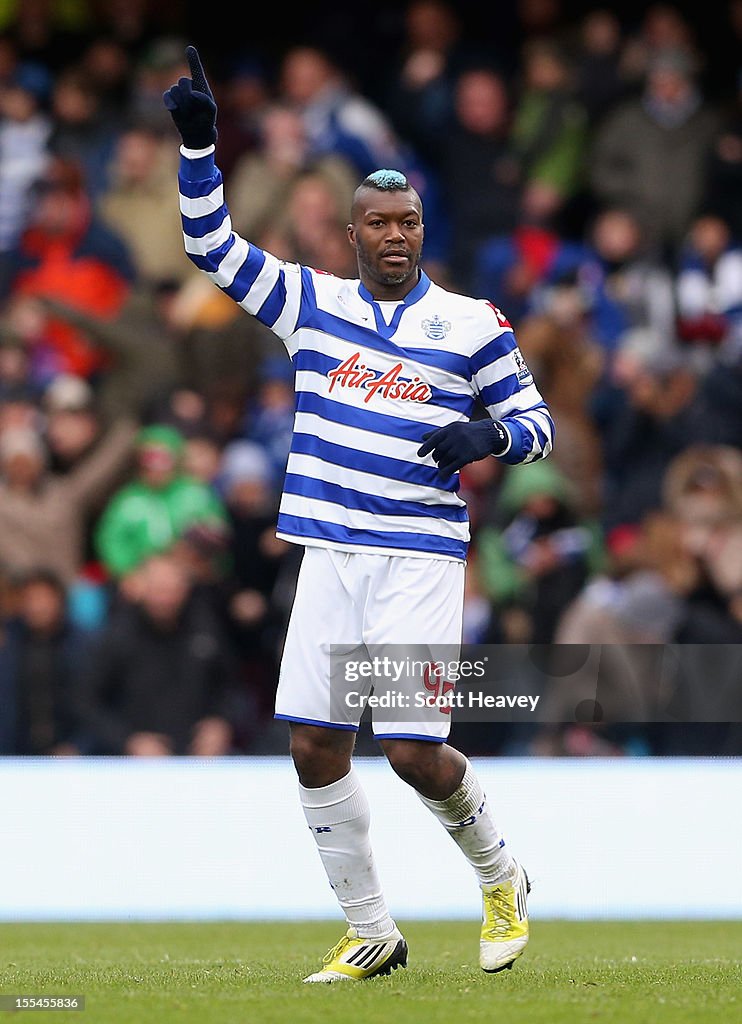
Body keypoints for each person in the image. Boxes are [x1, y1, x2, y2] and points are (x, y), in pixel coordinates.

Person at [163, 47, 554, 983]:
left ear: (423, 230)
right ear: (351, 234)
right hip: (329, 553)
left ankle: (502, 876)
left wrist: (490, 440)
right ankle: (370, 927)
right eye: (377, 222)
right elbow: (210, 251)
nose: (394, 236)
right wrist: (199, 147)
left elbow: (537, 423)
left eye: (408, 222)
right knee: (311, 745)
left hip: (417, 555)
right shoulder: (311, 302)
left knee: (415, 750)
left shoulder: (472, 324)